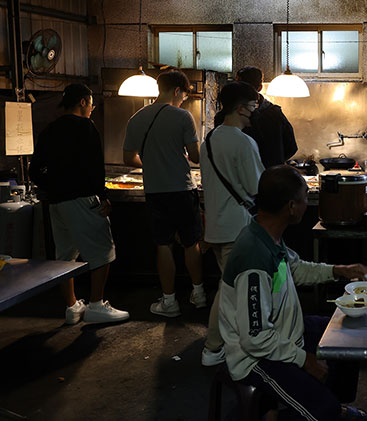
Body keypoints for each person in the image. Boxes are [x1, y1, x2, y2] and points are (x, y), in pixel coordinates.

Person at [219, 165, 367, 420]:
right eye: (305, 199)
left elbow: (295, 269)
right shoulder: (253, 257)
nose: (307, 204)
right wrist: (304, 360)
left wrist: (339, 270)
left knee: (347, 334)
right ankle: (310, 412)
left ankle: (334, 404)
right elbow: (255, 338)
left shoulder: (268, 236)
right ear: (291, 207)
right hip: (255, 357)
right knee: (323, 411)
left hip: (284, 332)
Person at [30, 84, 129, 324]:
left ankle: (72, 307)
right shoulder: (86, 127)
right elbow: (95, 167)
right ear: (83, 101)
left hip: (57, 203)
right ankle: (96, 305)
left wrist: (53, 186)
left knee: (65, 257)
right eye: (91, 102)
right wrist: (103, 196)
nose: (93, 108)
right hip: (83, 200)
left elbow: (35, 170)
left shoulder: (50, 130)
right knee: (103, 252)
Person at [122, 70, 206, 317]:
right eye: (183, 96)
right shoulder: (183, 116)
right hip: (182, 188)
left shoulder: (136, 118)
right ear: (177, 90)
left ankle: (169, 302)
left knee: (163, 245)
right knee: (191, 243)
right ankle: (199, 294)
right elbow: (195, 157)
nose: (183, 101)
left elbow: (128, 158)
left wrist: (151, 163)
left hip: (156, 191)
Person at [199, 82, 265, 367]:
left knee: (230, 288)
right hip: (237, 229)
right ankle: (213, 349)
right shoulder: (243, 141)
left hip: (215, 226)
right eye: (252, 107)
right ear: (240, 108)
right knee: (229, 293)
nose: (254, 113)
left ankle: (226, 344)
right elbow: (256, 186)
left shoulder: (209, 139)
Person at [217, 66, 298, 168]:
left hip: (243, 176)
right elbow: (291, 147)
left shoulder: (226, 116)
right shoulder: (275, 113)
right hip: (271, 175)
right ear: (260, 87)